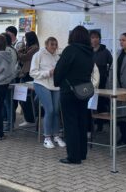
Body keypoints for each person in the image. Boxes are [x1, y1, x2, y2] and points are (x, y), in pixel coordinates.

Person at [53, 26, 99, 164]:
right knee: (81, 122)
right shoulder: (89, 52)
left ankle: (74, 156)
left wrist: (58, 81)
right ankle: (82, 153)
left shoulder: (70, 50)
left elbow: (59, 70)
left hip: (69, 90)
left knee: (70, 123)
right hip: (84, 90)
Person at [30, 37, 65, 148]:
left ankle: (56, 135)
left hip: (55, 86)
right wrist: (48, 73)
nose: (54, 47)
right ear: (46, 44)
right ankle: (47, 137)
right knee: (49, 110)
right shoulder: (38, 55)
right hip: (41, 84)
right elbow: (33, 72)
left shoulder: (57, 57)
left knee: (56, 110)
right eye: (52, 44)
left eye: (55, 44)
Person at [16, 31, 40, 127]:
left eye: (26, 38)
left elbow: (25, 57)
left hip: (29, 75)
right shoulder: (28, 47)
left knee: (26, 98)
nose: (24, 40)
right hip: (24, 74)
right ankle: (28, 118)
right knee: (20, 97)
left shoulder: (35, 48)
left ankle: (30, 119)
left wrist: (18, 52)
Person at [91, 30, 112, 132]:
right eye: (92, 37)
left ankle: (100, 124)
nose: (94, 39)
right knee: (90, 103)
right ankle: (90, 125)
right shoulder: (88, 51)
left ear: (99, 39)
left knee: (100, 102)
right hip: (90, 82)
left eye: (96, 37)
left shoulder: (105, 51)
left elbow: (111, 64)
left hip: (102, 81)